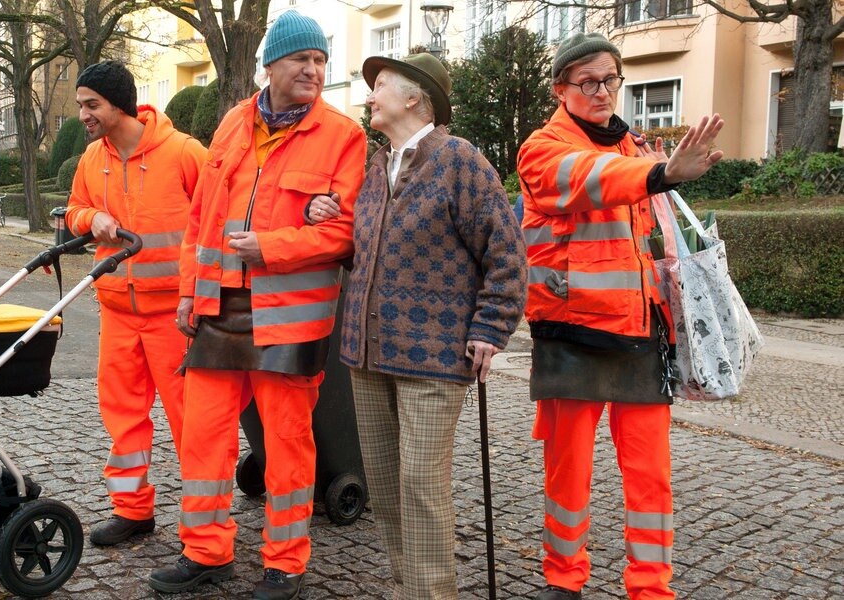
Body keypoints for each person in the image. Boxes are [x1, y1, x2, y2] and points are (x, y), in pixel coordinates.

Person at [146, 11, 367, 600]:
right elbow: (201, 222)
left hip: (290, 320)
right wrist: (190, 291)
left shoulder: (344, 136)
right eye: (302, 59)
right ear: (272, 64)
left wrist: (270, 247)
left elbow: (344, 235)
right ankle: (206, 550)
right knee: (204, 435)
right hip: (219, 311)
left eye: (321, 61)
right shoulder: (231, 125)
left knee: (289, 443)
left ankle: (286, 561)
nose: (314, 70)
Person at [309, 53, 527, 599]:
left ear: (414, 98)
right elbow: (365, 252)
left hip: (433, 359)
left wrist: (490, 328)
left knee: (421, 488)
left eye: (379, 85)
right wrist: (326, 215)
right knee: (385, 491)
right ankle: (410, 590)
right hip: (367, 357)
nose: (369, 94)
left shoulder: (460, 162)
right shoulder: (376, 168)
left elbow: (507, 255)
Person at [516, 33, 724, 600]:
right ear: (561, 89)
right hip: (572, 334)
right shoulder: (541, 148)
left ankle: (652, 589)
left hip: (638, 333)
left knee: (651, 478)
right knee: (567, 476)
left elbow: (647, 240)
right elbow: (587, 180)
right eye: (587, 81)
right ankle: (564, 580)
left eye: (610, 78)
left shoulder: (636, 148)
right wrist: (660, 174)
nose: (602, 90)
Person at [64, 60, 207, 547]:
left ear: (118, 105)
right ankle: (132, 511)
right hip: (119, 314)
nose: (83, 114)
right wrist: (91, 218)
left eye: (91, 105)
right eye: (81, 104)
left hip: (177, 318)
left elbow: (215, 222)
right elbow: (73, 210)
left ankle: (204, 534)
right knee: (123, 417)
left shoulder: (184, 152)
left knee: (194, 424)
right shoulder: (91, 159)